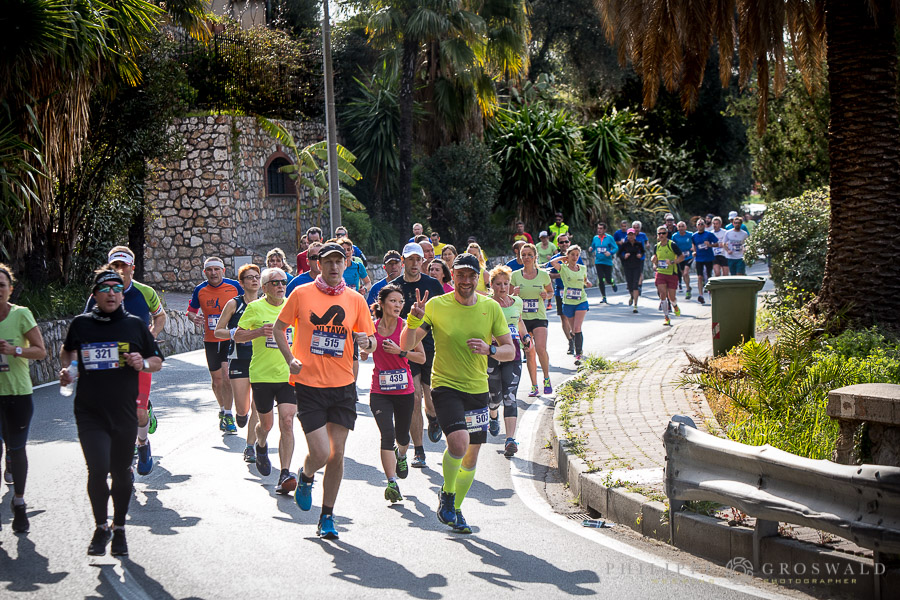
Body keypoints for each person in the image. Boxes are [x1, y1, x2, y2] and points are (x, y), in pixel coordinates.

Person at [400, 253, 515, 533]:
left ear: (479, 278)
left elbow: (509, 349)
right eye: (460, 275)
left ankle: (455, 507)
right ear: (453, 276)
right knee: (459, 444)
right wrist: (412, 321)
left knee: (472, 457)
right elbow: (406, 344)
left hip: (477, 388)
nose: (465, 280)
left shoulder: (490, 307)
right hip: (445, 385)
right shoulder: (437, 306)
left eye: (470, 275)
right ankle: (448, 493)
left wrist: (490, 350)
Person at [273, 243, 375, 539]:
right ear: (318, 263)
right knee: (321, 452)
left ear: (346, 265)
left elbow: (370, 340)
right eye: (327, 261)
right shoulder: (301, 294)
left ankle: (327, 516)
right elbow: (280, 329)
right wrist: (289, 357)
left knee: (338, 453)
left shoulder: (355, 300)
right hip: (309, 385)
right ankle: (306, 476)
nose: (333, 267)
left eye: (338, 262)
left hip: (343, 385)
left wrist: (367, 344)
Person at [60, 268, 164, 556]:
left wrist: (140, 362)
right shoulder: (82, 324)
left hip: (123, 412)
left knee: (120, 473)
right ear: (95, 294)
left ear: (122, 295)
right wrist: (68, 370)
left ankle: (119, 528)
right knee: (96, 469)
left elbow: (156, 360)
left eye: (117, 288)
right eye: (105, 288)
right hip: (90, 411)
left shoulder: (134, 326)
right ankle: (101, 526)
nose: (111, 292)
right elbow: (67, 350)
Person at [85, 246, 166, 475]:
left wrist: (151, 334)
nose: (120, 270)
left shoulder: (145, 292)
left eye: (123, 265)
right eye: (115, 266)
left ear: (132, 267)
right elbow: (85, 323)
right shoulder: (98, 294)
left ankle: (142, 444)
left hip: (139, 359)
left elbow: (160, 315)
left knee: (139, 413)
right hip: (110, 362)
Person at [234, 267, 299, 493]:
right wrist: (259, 332)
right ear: (264, 288)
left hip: (288, 375)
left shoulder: (293, 306)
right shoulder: (254, 308)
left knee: (288, 421)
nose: (281, 286)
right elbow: (238, 335)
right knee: (267, 424)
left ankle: (285, 473)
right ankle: (260, 445)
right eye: (275, 283)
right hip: (262, 375)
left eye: (283, 282)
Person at [360, 285, 426, 503]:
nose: (398, 305)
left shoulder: (407, 327)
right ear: (381, 303)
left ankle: (401, 455)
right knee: (387, 435)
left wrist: (401, 352)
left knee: (402, 437)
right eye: (393, 301)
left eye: (400, 302)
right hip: (380, 390)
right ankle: (391, 482)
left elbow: (421, 358)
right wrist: (364, 350)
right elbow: (366, 348)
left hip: (404, 390)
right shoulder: (372, 327)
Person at [389, 243, 445, 468]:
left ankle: (433, 418)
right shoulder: (394, 286)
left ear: (423, 261)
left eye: (418, 260)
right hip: (406, 349)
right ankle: (419, 451)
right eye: (410, 259)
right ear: (403, 261)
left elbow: (443, 314)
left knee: (430, 398)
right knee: (413, 398)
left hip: (431, 346)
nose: (414, 264)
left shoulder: (432, 285)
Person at [0, 264, 47, 533]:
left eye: (1, 285)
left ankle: (19, 503)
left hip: (17, 394)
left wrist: (14, 349)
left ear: (10, 289)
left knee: (15, 450)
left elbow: (40, 351)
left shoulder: (21, 316)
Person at [188, 257, 242, 432]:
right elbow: (191, 311)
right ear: (205, 272)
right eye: (209, 270)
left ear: (223, 271)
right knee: (217, 381)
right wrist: (194, 317)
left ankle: (228, 414)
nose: (213, 273)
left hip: (229, 337)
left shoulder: (234, 286)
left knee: (227, 376)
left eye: (216, 269)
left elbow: (248, 303)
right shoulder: (200, 290)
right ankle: (222, 409)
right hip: (211, 340)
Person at [214, 263, 262, 463]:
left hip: (263, 361)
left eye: (257, 276)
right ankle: (240, 415)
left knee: (258, 406)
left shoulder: (268, 304)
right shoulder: (234, 304)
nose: (254, 280)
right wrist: (235, 333)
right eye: (249, 277)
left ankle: (251, 447)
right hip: (239, 359)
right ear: (242, 283)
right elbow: (218, 331)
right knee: (243, 410)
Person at [486, 266, 530, 457]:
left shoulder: (517, 302)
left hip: (513, 355)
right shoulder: (486, 304)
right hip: (493, 354)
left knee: (510, 396)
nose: (502, 287)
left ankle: (510, 439)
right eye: (498, 284)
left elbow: (519, 321)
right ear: (492, 285)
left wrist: (526, 336)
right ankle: (493, 413)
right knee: (495, 396)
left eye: (506, 283)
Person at [511, 244, 554, 397]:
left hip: (539, 317)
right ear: (520, 257)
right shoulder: (515, 275)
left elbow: (550, 292)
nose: (526, 258)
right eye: (523, 255)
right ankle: (534, 385)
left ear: (535, 256)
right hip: (522, 319)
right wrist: (513, 292)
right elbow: (507, 296)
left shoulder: (543, 275)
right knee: (529, 352)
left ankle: (547, 379)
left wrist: (546, 295)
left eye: (529, 255)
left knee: (541, 348)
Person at [549, 245, 592, 364]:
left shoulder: (582, 268)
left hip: (581, 300)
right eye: (572, 254)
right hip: (568, 302)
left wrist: (587, 283)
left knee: (577, 328)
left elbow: (584, 280)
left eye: (577, 255)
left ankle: (578, 354)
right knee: (573, 330)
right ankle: (576, 347)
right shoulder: (563, 268)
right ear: (568, 255)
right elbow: (552, 262)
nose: (575, 257)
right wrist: (564, 258)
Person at [545, 234, 582, 354]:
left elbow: (582, 271)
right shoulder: (556, 258)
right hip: (560, 290)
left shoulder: (576, 256)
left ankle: (576, 338)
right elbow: (548, 274)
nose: (564, 244)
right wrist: (561, 274)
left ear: (569, 242)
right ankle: (570, 341)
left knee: (574, 318)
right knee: (563, 317)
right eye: (561, 242)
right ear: (558, 244)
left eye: (566, 242)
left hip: (575, 291)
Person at [652, 225, 684, 326]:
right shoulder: (656, 247)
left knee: (672, 297)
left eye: (663, 233)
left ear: (666, 234)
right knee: (662, 295)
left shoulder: (672, 244)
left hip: (672, 273)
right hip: (661, 273)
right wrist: (654, 263)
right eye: (659, 233)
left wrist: (672, 261)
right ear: (657, 235)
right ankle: (666, 317)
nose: (661, 235)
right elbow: (655, 258)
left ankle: (675, 306)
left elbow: (682, 257)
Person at [691, 218, 719, 304]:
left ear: (704, 225)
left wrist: (710, 245)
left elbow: (717, 243)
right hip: (699, 258)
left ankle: (711, 293)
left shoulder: (709, 234)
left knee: (709, 276)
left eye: (702, 224)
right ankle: (701, 295)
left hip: (708, 258)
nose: (700, 226)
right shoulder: (694, 236)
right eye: (699, 224)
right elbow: (694, 245)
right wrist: (694, 251)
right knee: (699, 277)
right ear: (696, 226)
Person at [590, 223, 619, 303]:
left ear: (605, 230)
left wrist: (610, 252)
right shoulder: (595, 238)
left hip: (607, 262)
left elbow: (616, 247)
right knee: (600, 279)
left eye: (601, 228)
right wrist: (591, 249)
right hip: (598, 261)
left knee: (608, 279)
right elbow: (593, 247)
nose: (599, 230)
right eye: (598, 228)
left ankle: (612, 283)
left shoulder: (609, 238)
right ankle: (604, 297)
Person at [619, 229, 645, 313]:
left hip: (637, 266)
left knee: (635, 285)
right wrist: (624, 256)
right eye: (629, 235)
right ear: (627, 236)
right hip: (627, 266)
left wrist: (640, 255)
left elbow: (643, 252)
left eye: (632, 235)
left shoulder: (639, 244)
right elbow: (619, 254)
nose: (631, 236)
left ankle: (635, 305)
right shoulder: (625, 244)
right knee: (630, 285)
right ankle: (632, 296)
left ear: (635, 235)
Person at [672, 221, 695, 299]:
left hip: (689, 256)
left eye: (682, 226)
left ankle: (688, 290)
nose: (681, 228)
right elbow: (672, 246)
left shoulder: (690, 234)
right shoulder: (675, 236)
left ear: (685, 227)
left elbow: (694, 242)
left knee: (685, 273)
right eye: (679, 226)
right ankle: (688, 287)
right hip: (680, 257)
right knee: (683, 274)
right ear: (677, 228)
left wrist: (693, 248)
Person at [631, 221, 650, 303]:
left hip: (640, 257)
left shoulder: (643, 235)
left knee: (640, 272)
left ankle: (639, 286)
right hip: (632, 257)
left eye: (637, 227)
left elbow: (647, 241)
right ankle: (634, 285)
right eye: (634, 227)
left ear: (640, 228)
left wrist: (647, 245)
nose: (636, 229)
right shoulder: (630, 235)